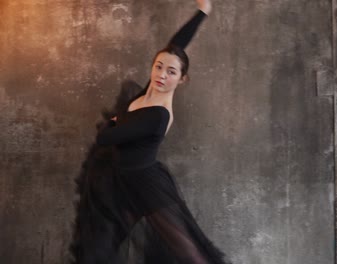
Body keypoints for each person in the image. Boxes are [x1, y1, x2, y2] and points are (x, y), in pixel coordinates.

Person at [69, 1, 230, 263]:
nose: (162, 75)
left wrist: (113, 122)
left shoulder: (158, 114)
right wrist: (202, 13)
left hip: (147, 186)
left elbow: (105, 138)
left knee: (188, 251)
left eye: (171, 72)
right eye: (158, 66)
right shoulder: (149, 92)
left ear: (181, 79)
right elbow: (177, 44)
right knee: (100, 246)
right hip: (122, 182)